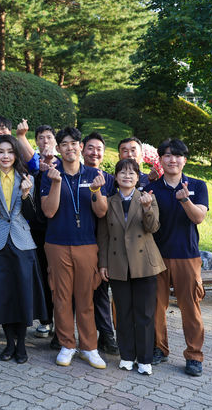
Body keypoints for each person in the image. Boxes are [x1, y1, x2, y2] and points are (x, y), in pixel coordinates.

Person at [0, 135, 48, 364]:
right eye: (1, 152)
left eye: (10, 152)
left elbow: (32, 216)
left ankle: (22, 345)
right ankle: (9, 344)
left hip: (22, 242)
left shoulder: (28, 179)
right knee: (3, 295)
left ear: (16, 154)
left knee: (21, 294)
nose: (5, 156)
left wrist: (26, 195)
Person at [41, 127, 108, 369]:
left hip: (86, 245)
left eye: (74, 143)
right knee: (61, 297)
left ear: (81, 147)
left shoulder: (95, 175)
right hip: (57, 244)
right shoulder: (50, 174)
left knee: (85, 298)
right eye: (65, 144)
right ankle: (67, 344)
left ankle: (89, 347)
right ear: (58, 149)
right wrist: (56, 183)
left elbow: (101, 212)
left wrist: (97, 189)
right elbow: (49, 211)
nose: (70, 147)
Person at [145, 139, 208, 377]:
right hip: (157, 256)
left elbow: (199, 217)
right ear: (160, 160)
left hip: (186, 256)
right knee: (156, 306)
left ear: (185, 160)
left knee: (190, 307)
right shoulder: (152, 187)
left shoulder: (198, 185)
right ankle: (159, 348)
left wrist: (185, 199)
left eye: (178, 156)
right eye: (168, 156)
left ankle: (194, 355)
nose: (173, 160)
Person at [98, 159, 165, 376]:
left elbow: (153, 227)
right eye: (123, 173)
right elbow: (104, 236)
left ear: (138, 177)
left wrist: (147, 209)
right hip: (118, 265)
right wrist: (103, 264)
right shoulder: (109, 202)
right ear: (116, 178)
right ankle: (127, 356)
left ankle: (145, 359)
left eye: (132, 173)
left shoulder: (148, 198)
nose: (127, 176)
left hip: (144, 264)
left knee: (144, 314)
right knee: (123, 314)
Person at [81, 132, 119, 356]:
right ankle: (63, 335)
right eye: (90, 148)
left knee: (101, 291)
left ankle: (106, 335)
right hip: (78, 240)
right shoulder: (74, 174)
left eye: (99, 149)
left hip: (102, 242)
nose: (94, 153)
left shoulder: (110, 180)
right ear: (82, 149)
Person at [29, 124, 58, 341]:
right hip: (36, 230)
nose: (45, 140)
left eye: (49, 137)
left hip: (58, 229)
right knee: (41, 274)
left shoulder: (64, 164)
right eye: (41, 137)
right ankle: (46, 320)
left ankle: (62, 322)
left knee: (59, 277)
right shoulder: (32, 164)